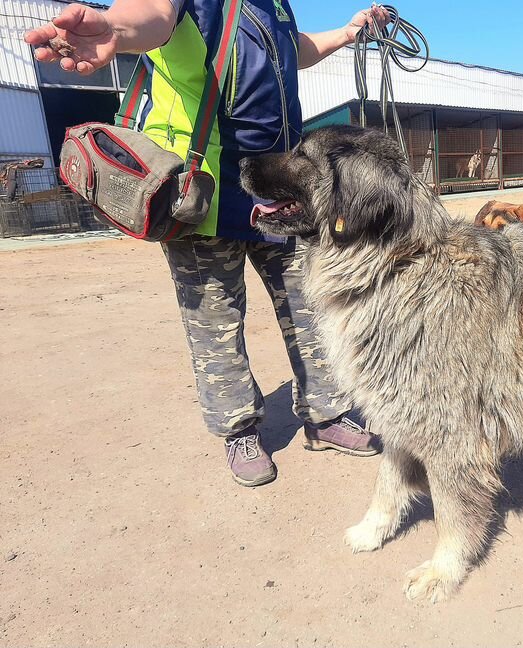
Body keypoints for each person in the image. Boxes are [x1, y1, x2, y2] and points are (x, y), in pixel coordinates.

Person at [25, 0, 390, 487]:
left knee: (313, 307)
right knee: (214, 320)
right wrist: (113, 25)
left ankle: (325, 415)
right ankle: (238, 426)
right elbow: (153, 14)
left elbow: (292, 51)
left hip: (279, 188)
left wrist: (347, 34)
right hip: (203, 190)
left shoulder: (274, 5)